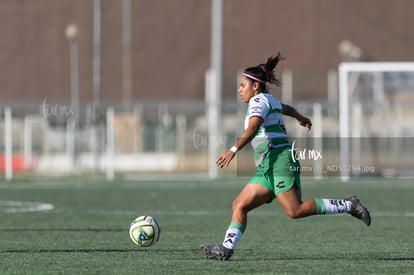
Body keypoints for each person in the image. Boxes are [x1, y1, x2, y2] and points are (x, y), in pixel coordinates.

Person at [200, 53, 371, 261]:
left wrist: (232, 150)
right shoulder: (268, 99)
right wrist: (300, 117)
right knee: (240, 204)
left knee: (294, 210)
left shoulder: (257, 102)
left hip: (279, 159)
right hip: (268, 165)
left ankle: (349, 205)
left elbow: (253, 128)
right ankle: (226, 248)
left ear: (255, 86)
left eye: (242, 85)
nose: (239, 90)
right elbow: (286, 108)